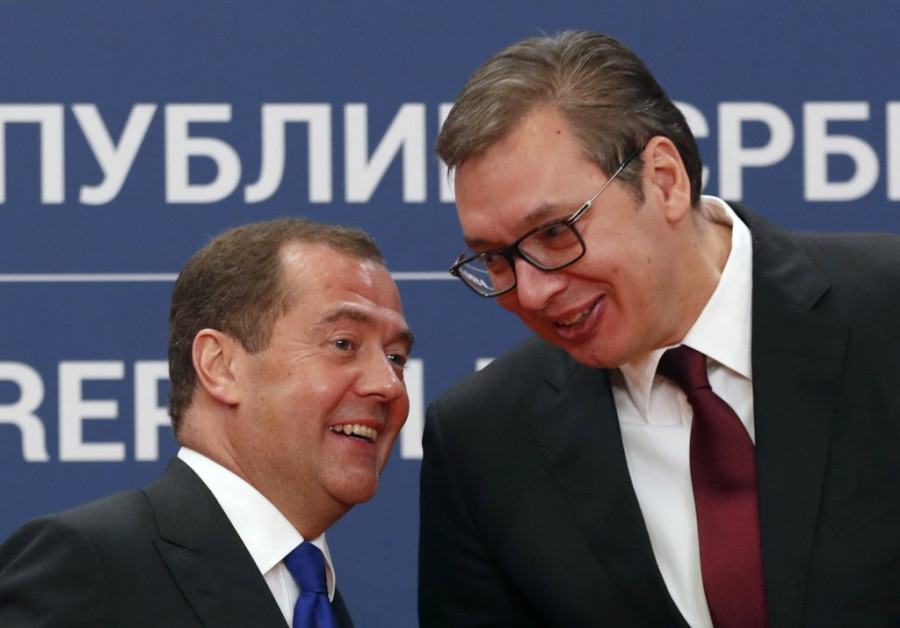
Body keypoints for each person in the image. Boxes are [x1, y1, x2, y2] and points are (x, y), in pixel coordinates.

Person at [418, 30, 900, 627]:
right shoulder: (484, 442)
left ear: (665, 180)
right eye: (495, 258)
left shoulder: (886, 313)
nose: (533, 292)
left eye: (554, 232)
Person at [0, 217, 414, 627]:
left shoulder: (315, 594)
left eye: (396, 358)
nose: (389, 385)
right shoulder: (86, 566)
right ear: (220, 366)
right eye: (343, 344)